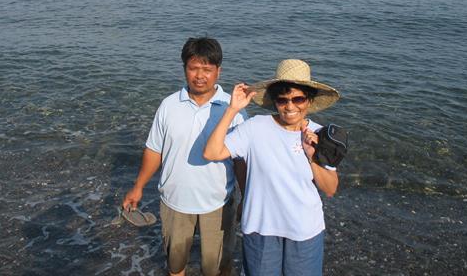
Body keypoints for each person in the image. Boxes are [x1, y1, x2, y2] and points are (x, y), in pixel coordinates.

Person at [122, 37, 247, 276]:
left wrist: (246, 196)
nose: (200, 76)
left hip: (219, 203)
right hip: (174, 202)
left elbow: (241, 161)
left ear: (218, 71)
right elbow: (154, 149)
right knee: (175, 265)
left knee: (218, 268)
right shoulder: (168, 106)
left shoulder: (233, 108)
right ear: (184, 69)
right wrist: (138, 187)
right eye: (193, 68)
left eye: (207, 69)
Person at [203, 59, 340, 276]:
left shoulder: (319, 135)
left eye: (298, 98)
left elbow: (331, 188)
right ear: (274, 101)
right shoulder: (255, 127)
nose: (290, 106)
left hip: (304, 231)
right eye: (282, 99)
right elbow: (211, 152)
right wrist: (232, 110)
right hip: (260, 229)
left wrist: (311, 156)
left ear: (309, 100)